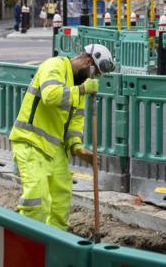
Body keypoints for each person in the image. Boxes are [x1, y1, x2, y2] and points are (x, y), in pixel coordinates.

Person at [9, 44, 116, 230]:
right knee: (37, 200)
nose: (94, 78)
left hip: (55, 148)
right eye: (95, 72)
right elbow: (50, 96)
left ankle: (55, 243)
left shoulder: (78, 85)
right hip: (31, 142)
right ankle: (28, 241)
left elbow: (76, 120)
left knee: (61, 201)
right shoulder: (54, 66)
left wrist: (76, 147)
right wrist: (82, 90)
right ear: (88, 62)